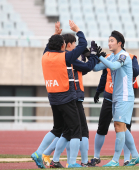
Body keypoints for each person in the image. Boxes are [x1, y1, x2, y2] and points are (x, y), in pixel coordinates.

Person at [31, 20, 88, 169]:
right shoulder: (65, 57)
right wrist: (78, 30)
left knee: (57, 128)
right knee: (76, 130)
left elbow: (48, 47)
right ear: (63, 46)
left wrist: (55, 34)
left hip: (53, 97)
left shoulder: (44, 56)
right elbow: (82, 46)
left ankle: (38, 152)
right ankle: (73, 162)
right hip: (66, 97)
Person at [42, 33, 99, 167]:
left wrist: (90, 57)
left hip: (70, 97)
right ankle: (68, 160)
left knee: (67, 131)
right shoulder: (67, 58)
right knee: (77, 131)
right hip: (72, 97)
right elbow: (88, 67)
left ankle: (52, 156)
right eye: (73, 44)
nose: (75, 47)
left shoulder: (64, 58)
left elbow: (84, 69)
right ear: (67, 45)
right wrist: (93, 56)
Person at [93, 30, 139, 167]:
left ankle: (115, 160)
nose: (109, 43)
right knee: (121, 127)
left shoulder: (124, 56)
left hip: (125, 96)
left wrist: (100, 56)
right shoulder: (112, 56)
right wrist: (91, 57)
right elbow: (97, 68)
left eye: (112, 41)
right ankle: (136, 156)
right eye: (108, 41)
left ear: (119, 43)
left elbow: (114, 66)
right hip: (116, 96)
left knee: (119, 126)